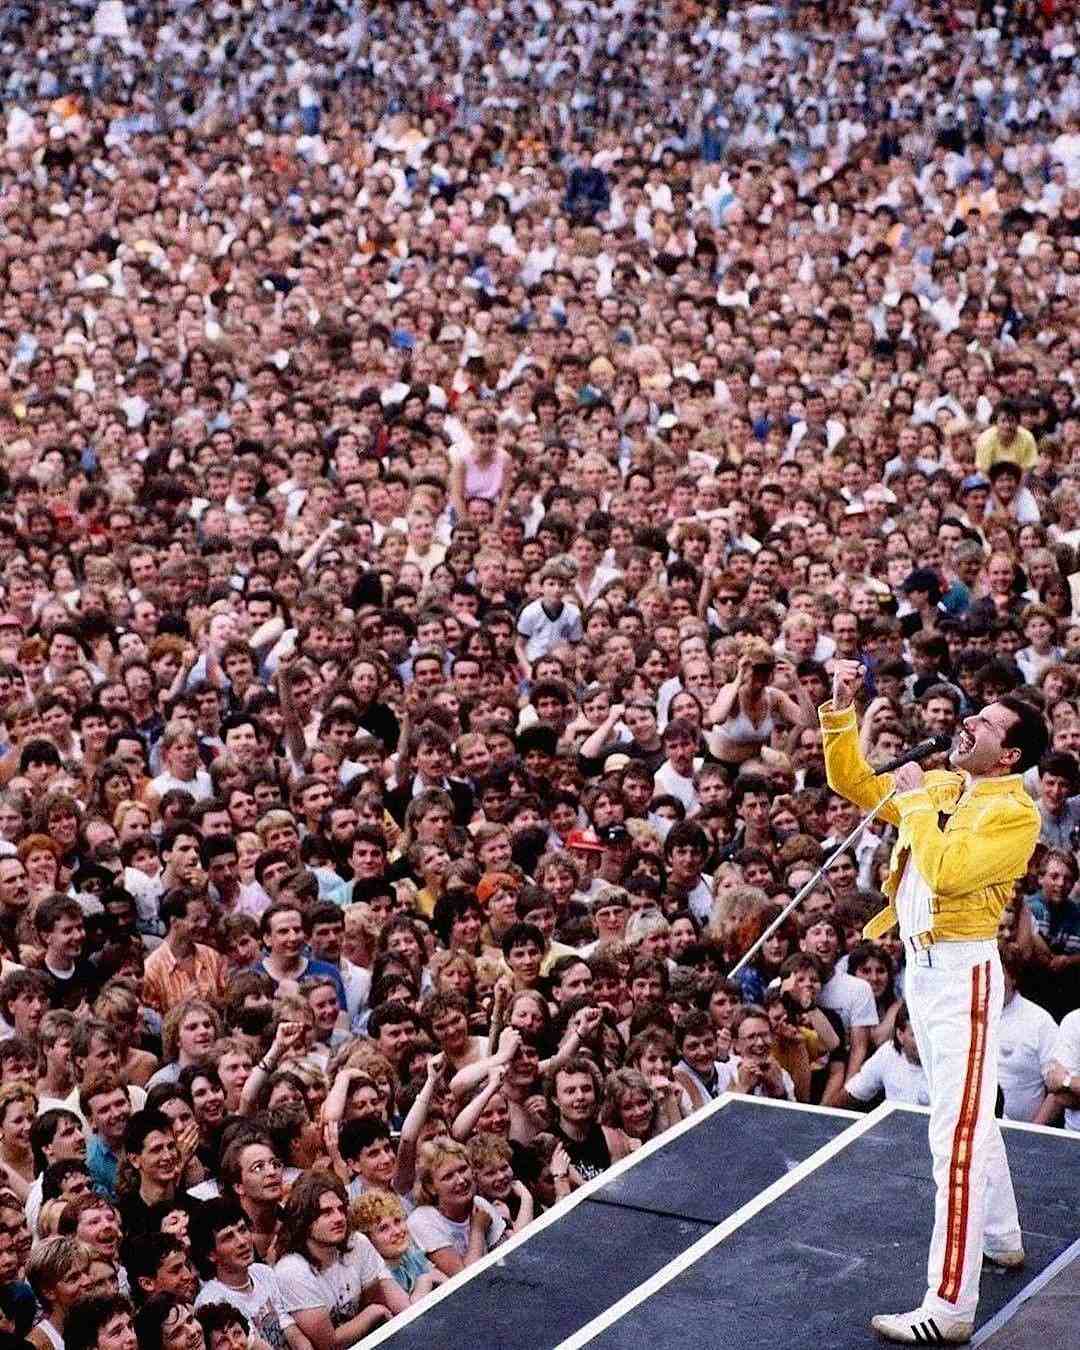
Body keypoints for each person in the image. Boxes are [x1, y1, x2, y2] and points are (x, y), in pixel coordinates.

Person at [822, 658, 1047, 1343]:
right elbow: (853, 782)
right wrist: (841, 709)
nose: (967, 721)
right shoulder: (946, 781)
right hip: (921, 969)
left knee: (954, 1136)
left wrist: (917, 800)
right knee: (970, 1115)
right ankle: (1002, 1236)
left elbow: (947, 873)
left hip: (961, 976)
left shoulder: (1015, 814)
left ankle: (949, 1307)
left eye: (987, 723)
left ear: (1008, 756)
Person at [273, 1173, 408, 1346]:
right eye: (326, 1212)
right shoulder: (292, 1271)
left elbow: (376, 1304)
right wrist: (373, 1313)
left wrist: (373, 1312)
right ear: (304, 1219)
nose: (339, 1218)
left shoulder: (357, 1243)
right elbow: (329, 1345)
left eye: (341, 1209)